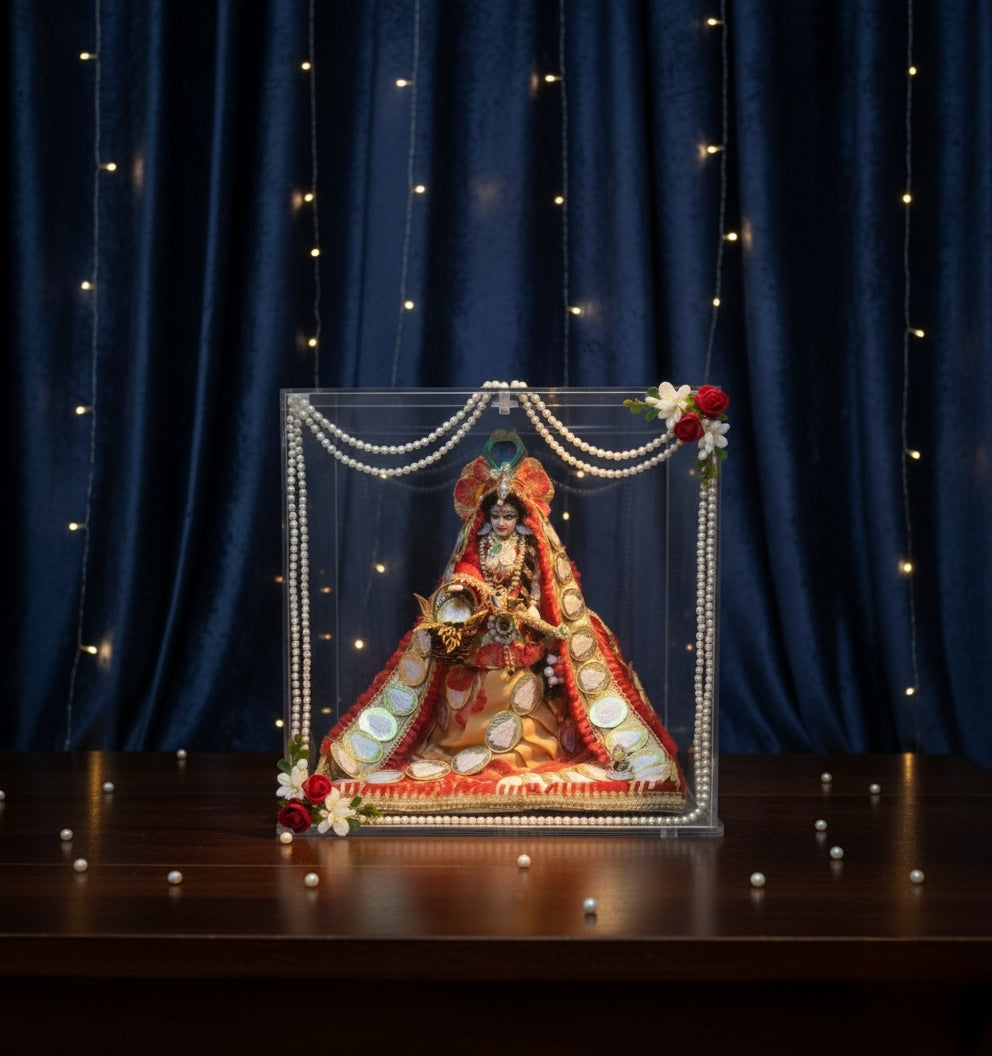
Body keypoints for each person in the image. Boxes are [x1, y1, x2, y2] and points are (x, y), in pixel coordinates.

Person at [316, 432, 685, 814]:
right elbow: (467, 570)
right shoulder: (479, 544)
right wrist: (467, 591)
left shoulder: (528, 545)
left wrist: (535, 614)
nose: (502, 521)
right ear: (486, 517)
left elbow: (542, 584)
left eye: (509, 516)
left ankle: (526, 751)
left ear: (521, 518)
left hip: (522, 631)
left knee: (524, 690)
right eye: (496, 515)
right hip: (484, 629)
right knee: (474, 687)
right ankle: (461, 747)